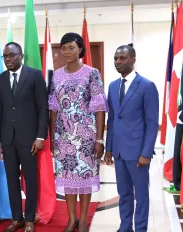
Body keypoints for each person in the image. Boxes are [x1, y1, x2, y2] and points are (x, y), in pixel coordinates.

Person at [48, 32, 107, 232]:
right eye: (63, 48)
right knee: (68, 179)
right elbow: (53, 108)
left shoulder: (92, 73)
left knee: (84, 179)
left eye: (71, 47)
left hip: (86, 137)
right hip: (63, 137)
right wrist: (53, 138)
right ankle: (71, 218)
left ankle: (82, 220)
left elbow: (99, 107)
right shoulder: (56, 75)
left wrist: (99, 139)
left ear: (80, 49)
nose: (66, 51)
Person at [0, 42, 48, 232]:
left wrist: (41, 136)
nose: (8, 59)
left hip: (30, 139)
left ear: (21, 55)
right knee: (11, 179)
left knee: (31, 179)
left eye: (11, 55)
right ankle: (17, 218)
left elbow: (42, 107)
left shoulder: (34, 75)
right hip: (7, 140)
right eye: (5, 56)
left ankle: (30, 218)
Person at [104, 45, 159, 232]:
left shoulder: (147, 86)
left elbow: (152, 123)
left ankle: (141, 228)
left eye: (122, 58)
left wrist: (146, 153)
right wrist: (108, 148)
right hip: (119, 151)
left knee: (141, 195)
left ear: (133, 60)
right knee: (124, 193)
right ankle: (125, 226)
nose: (118, 62)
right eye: (116, 58)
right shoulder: (112, 86)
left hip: (138, 152)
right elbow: (112, 119)